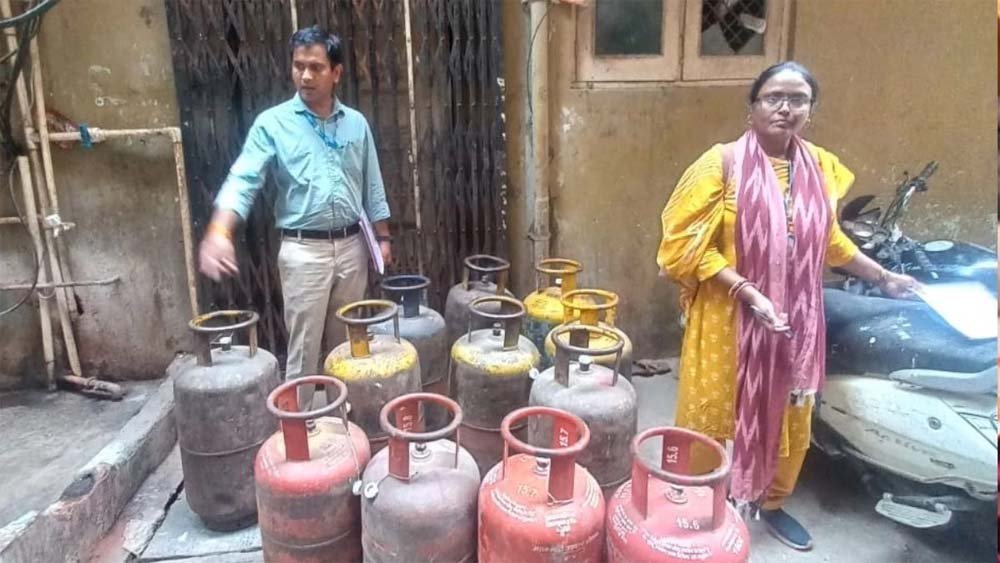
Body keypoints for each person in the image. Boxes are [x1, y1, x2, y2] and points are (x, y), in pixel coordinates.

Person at [657, 61, 917, 551]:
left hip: (794, 321)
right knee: (712, 411)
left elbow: (831, 242)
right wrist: (747, 290)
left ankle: (771, 503)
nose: (785, 108)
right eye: (774, 97)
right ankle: (698, 499)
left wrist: (884, 278)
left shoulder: (822, 167)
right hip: (728, 317)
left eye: (798, 99)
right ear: (752, 107)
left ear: (810, 110)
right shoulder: (720, 164)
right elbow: (684, 247)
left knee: (790, 415)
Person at [198, 26, 393, 396]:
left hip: (352, 248)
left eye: (316, 67)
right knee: (304, 350)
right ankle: (299, 423)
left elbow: (373, 185)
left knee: (347, 346)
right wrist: (219, 232)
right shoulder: (273, 124)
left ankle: (341, 416)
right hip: (304, 252)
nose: (305, 75)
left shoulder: (356, 124)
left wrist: (382, 238)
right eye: (298, 66)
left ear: (336, 73)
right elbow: (243, 179)